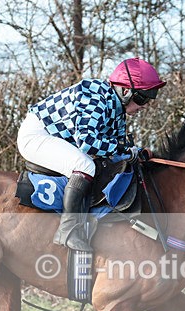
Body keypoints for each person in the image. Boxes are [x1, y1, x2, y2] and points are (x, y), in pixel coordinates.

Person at [17, 58, 166, 252]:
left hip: (58, 137)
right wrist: (124, 151)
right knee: (85, 165)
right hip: (36, 135)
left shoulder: (117, 109)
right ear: (125, 91)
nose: (144, 105)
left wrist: (136, 153)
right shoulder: (94, 95)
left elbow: (119, 146)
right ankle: (68, 230)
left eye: (148, 99)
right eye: (142, 98)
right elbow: (88, 142)